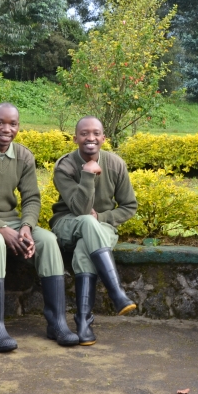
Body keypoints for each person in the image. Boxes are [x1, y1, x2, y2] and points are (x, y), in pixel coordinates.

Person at [0, 103, 78, 351]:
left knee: (49, 241)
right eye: (0, 122)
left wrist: (27, 227)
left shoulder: (23, 155)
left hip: (12, 222)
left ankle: (57, 324)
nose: (6, 129)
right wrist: (1, 228)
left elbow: (31, 198)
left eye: (13, 124)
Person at [50, 116, 139, 344]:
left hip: (103, 226)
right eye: (84, 134)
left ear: (103, 137)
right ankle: (116, 293)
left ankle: (83, 322)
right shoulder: (65, 166)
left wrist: (102, 217)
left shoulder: (116, 164)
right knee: (87, 223)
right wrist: (88, 173)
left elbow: (129, 206)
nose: (90, 138)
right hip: (67, 223)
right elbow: (80, 210)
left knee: (85, 247)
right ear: (75, 138)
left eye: (96, 133)